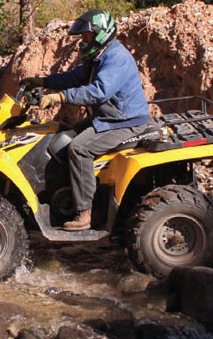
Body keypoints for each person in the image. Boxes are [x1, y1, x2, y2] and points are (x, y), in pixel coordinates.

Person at [22, 9, 149, 231]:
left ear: (101, 33)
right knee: (60, 137)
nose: (84, 40)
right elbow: (75, 77)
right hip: (108, 118)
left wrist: (60, 97)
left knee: (79, 149)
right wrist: (43, 81)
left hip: (124, 122)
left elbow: (98, 92)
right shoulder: (99, 55)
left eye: (87, 36)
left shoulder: (116, 58)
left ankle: (84, 213)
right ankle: (66, 194)